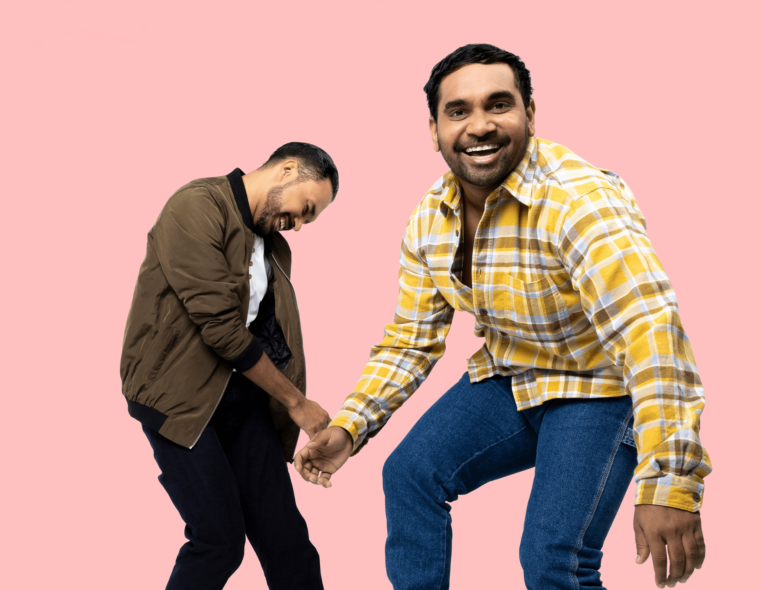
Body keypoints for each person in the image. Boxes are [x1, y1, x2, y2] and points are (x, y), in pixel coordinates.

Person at [294, 45, 711, 590]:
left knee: (552, 558)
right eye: (459, 111)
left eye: (499, 105)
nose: (479, 125)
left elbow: (649, 330)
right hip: (513, 378)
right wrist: (352, 425)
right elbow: (411, 340)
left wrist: (670, 482)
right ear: (435, 128)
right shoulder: (430, 220)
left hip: (601, 388)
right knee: (409, 475)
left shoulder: (577, 200)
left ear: (530, 114)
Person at [120, 142, 338, 590]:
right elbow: (219, 327)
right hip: (178, 400)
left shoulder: (273, 246)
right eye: (304, 209)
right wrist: (296, 404)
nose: (297, 225)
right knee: (219, 541)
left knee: (288, 542)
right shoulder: (197, 206)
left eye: (306, 221)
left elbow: (270, 334)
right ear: (288, 170)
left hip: (238, 396)